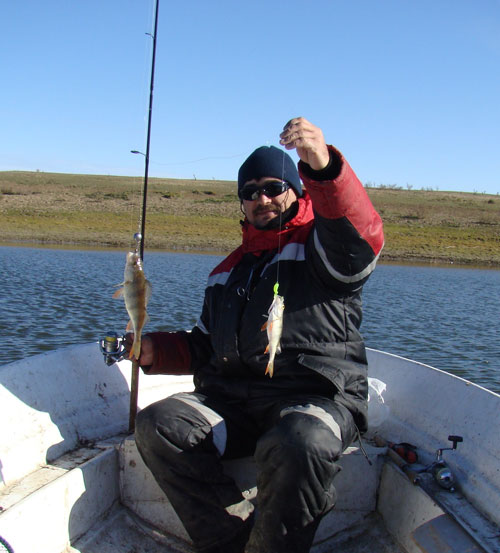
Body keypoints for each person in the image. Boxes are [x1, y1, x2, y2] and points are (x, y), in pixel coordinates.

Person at [127, 117, 384, 553]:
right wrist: (155, 351)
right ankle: (232, 540)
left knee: (299, 441)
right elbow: (205, 346)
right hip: (236, 404)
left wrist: (323, 168)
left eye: (272, 187)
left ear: (296, 190)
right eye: (249, 192)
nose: (261, 199)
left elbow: (359, 235)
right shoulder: (225, 272)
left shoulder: (324, 248)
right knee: (158, 425)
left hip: (314, 399)